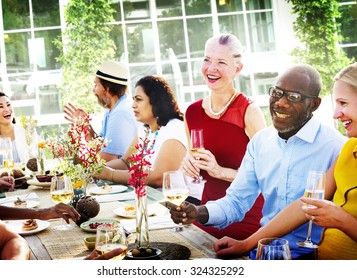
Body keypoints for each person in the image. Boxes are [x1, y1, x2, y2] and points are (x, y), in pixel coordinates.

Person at [169, 63, 347, 259]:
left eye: (293, 97)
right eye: (277, 93)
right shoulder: (260, 142)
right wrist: (198, 212)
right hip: (263, 254)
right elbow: (236, 201)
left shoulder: (336, 148)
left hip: (314, 257)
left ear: (314, 104)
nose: (281, 102)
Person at [181, 33, 267, 240]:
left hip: (246, 219)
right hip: (207, 214)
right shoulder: (191, 112)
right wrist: (188, 162)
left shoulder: (249, 112)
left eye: (221, 62)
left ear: (237, 69)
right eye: (207, 60)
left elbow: (266, 176)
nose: (211, 68)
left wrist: (220, 172)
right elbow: (193, 156)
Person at [94, 75, 188, 188]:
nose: (133, 105)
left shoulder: (174, 128)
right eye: (133, 99)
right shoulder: (144, 129)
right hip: (151, 198)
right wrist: (97, 169)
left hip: (180, 201)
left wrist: (110, 174)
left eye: (138, 99)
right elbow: (126, 163)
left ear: (156, 101)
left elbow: (159, 177)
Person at [64, 60, 138, 162]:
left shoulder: (120, 113)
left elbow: (107, 160)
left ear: (107, 89)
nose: (93, 90)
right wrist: (85, 125)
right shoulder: (112, 110)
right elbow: (101, 144)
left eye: (96, 85)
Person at [0, 92, 37, 166]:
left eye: (8, 105)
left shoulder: (27, 130)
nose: (7, 109)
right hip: (2, 177)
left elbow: (38, 159)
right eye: (1, 107)